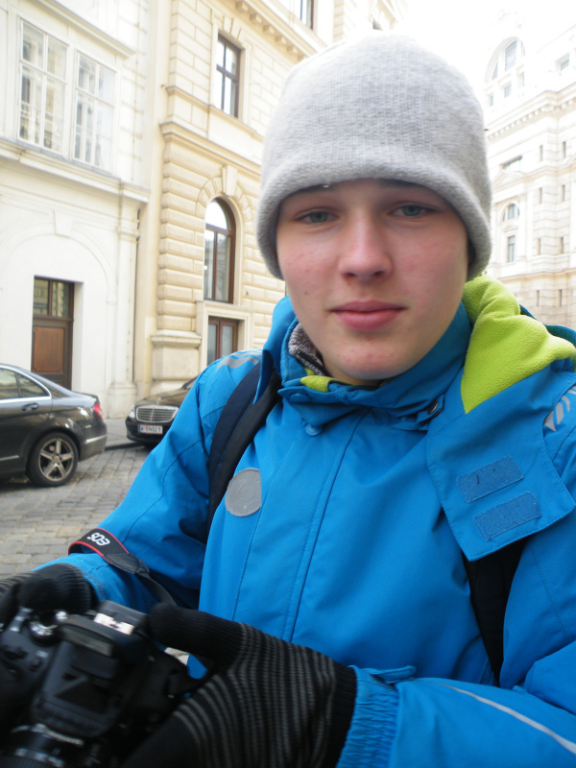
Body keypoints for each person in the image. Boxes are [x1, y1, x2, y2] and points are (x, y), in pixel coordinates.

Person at [3, 32, 576, 767]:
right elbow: (149, 558)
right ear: (277, 246)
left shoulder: (554, 441)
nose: (363, 258)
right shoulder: (230, 398)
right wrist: (77, 591)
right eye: (317, 213)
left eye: (410, 208)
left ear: (470, 243)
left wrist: (345, 727)